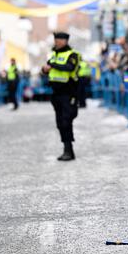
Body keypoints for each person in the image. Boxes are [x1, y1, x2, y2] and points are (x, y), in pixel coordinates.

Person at [41, 32, 80, 161]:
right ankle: (67, 149)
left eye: (59, 40)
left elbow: (70, 67)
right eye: (56, 39)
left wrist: (52, 66)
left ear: (65, 41)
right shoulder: (53, 55)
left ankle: (68, 151)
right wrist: (45, 70)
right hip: (56, 93)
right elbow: (48, 68)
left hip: (69, 93)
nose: (57, 42)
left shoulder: (72, 54)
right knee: (60, 123)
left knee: (66, 121)